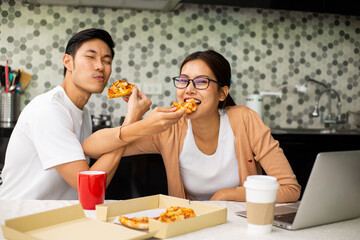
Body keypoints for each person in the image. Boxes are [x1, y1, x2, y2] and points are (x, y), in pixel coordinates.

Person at [82, 50, 301, 203]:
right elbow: (91, 147)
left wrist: (227, 195)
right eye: (184, 80)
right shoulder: (168, 129)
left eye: (201, 82)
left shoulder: (245, 120)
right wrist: (138, 120)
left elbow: (290, 190)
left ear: (222, 93)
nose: (189, 89)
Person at [0, 28, 184, 200]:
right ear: (68, 62)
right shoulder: (48, 110)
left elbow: (98, 186)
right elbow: (87, 187)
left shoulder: (83, 112)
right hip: (20, 217)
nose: (100, 67)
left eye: (107, 61)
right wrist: (132, 122)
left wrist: (129, 127)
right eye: (90, 57)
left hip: (56, 217)